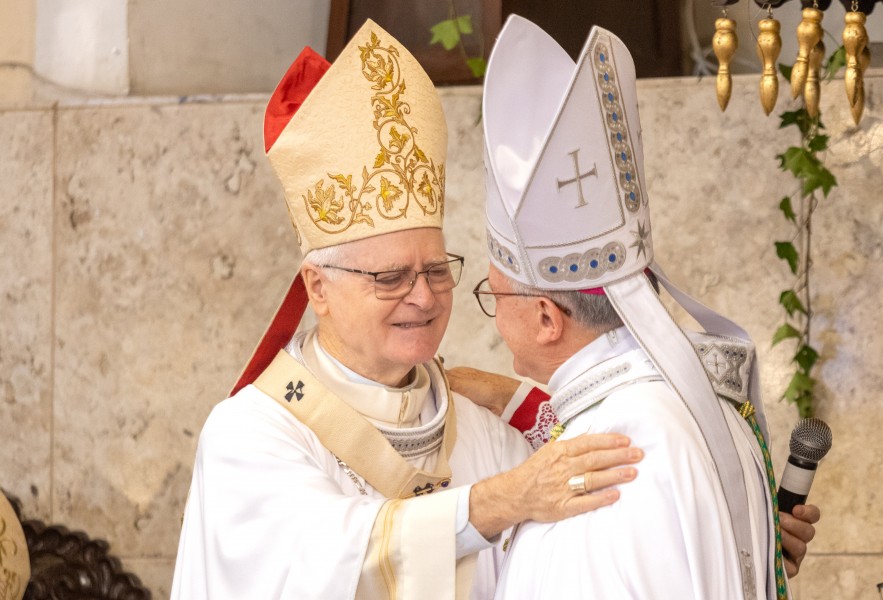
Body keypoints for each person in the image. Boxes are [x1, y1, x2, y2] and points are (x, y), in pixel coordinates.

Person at [170, 20, 643, 600]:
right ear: (318, 288)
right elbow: (330, 557)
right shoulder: (252, 432)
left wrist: (518, 401)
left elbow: (596, 516)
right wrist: (497, 502)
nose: (423, 297)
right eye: (391, 278)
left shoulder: (477, 426)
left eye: (437, 270)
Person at [462, 14, 816, 599]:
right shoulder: (691, 401)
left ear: (547, 318)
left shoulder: (604, 461)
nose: (495, 317)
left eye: (493, 294)